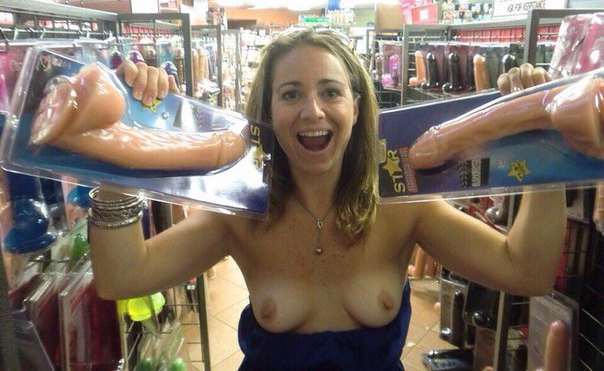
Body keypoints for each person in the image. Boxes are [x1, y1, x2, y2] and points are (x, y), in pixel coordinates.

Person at [86, 28, 567, 370]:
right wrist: (126, 143)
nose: (312, 111)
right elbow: (122, 276)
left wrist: (544, 141)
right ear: (269, 112)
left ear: (356, 108)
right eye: (290, 94)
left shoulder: (402, 207)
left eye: (331, 92)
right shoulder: (241, 212)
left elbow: (526, 270)